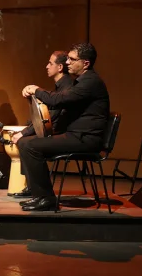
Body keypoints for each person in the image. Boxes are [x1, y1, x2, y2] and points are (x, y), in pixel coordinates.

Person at [17, 43, 110, 212]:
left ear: (86, 63)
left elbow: (58, 100)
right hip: (77, 136)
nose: (67, 62)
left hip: (86, 139)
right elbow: (59, 102)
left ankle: (46, 199)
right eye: (68, 59)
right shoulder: (81, 81)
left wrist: (36, 89)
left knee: (30, 145)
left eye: (72, 59)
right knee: (24, 142)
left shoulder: (90, 82)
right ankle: (38, 193)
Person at [8, 51, 76, 198]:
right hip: (57, 130)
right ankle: (33, 187)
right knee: (24, 140)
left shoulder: (67, 87)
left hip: (63, 134)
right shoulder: (61, 86)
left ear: (59, 67)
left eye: (50, 63)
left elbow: (50, 117)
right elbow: (46, 112)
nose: (46, 66)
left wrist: (24, 132)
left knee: (26, 142)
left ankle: (41, 192)